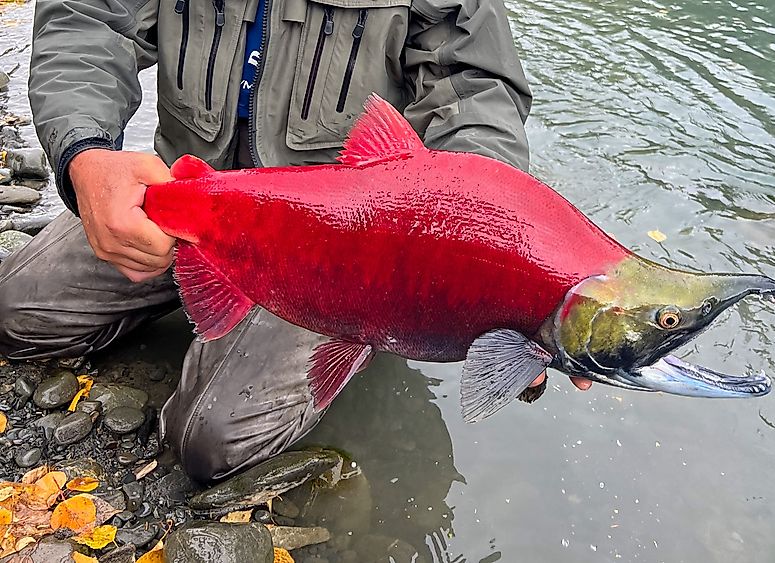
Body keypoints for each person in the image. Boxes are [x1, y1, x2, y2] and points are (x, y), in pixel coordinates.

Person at [0, 0, 590, 483]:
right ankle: (195, 300)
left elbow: (475, 91)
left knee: (208, 440)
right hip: (185, 200)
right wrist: (84, 153)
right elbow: (90, 19)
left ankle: (347, 331)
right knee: (11, 311)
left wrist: (494, 272)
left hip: (336, 254)